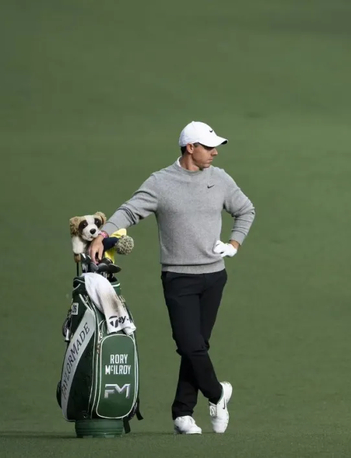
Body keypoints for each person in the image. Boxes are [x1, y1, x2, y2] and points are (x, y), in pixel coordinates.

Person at [88, 120, 256, 435]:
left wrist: (234, 244)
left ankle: (182, 414)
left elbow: (246, 210)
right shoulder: (161, 183)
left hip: (214, 277)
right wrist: (102, 234)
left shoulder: (219, 179)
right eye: (209, 147)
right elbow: (130, 211)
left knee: (198, 346)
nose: (215, 153)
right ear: (190, 148)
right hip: (179, 278)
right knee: (188, 344)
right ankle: (218, 394)